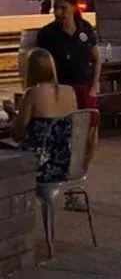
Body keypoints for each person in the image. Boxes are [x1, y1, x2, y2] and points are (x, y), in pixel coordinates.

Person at [36, 0, 101, 208]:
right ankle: (65, 188)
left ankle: (79, 178)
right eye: (56, 8)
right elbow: (39, 64)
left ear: (74, 7)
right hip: (62, 91)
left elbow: (96, 57)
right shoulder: (47, 33)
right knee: (67, 138)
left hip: (85, 88)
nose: (59, 12)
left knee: (91, 137)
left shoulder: (85, 29)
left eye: (63, 7)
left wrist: (95, 83)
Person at [3, 49, 79, 183]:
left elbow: (17, 135)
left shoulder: (32, 93)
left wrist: (12, 114)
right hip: (65, 163)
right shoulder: (70, 92)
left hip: (39, 164)